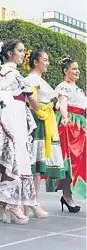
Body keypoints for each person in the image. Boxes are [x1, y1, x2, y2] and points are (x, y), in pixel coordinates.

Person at [0, 40, 39, 225]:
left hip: (13, 117)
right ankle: (11, 203)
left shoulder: (5, 73)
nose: (23, 54)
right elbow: (33, 101)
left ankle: (6, 202)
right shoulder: (13, 74)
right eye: (20, 50)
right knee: (16, 157)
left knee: (14, 157)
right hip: (13, 119)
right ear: (10, 53)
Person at [24, 50, 65, 218]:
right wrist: (41, 111)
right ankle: (30, 201)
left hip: (43, 121)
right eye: (45, 60)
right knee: (33, 163)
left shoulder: (38, 79)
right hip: (37, 121)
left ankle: (34, 201)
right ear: (36, 62)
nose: (47, 63)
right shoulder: (32, 80)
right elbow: (32, 100)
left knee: (37, 164)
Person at [50, 57, 86, 211]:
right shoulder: (63, 87)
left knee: (78, 162)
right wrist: (65, 118)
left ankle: (68, 195)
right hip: (69, 125)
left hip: (80, 125)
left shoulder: (77, 89)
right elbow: (63, 102)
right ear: (66, 71)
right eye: (74, 68)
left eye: (78, 68)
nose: (77, 71)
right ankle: (67, 195)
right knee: (68, 161)